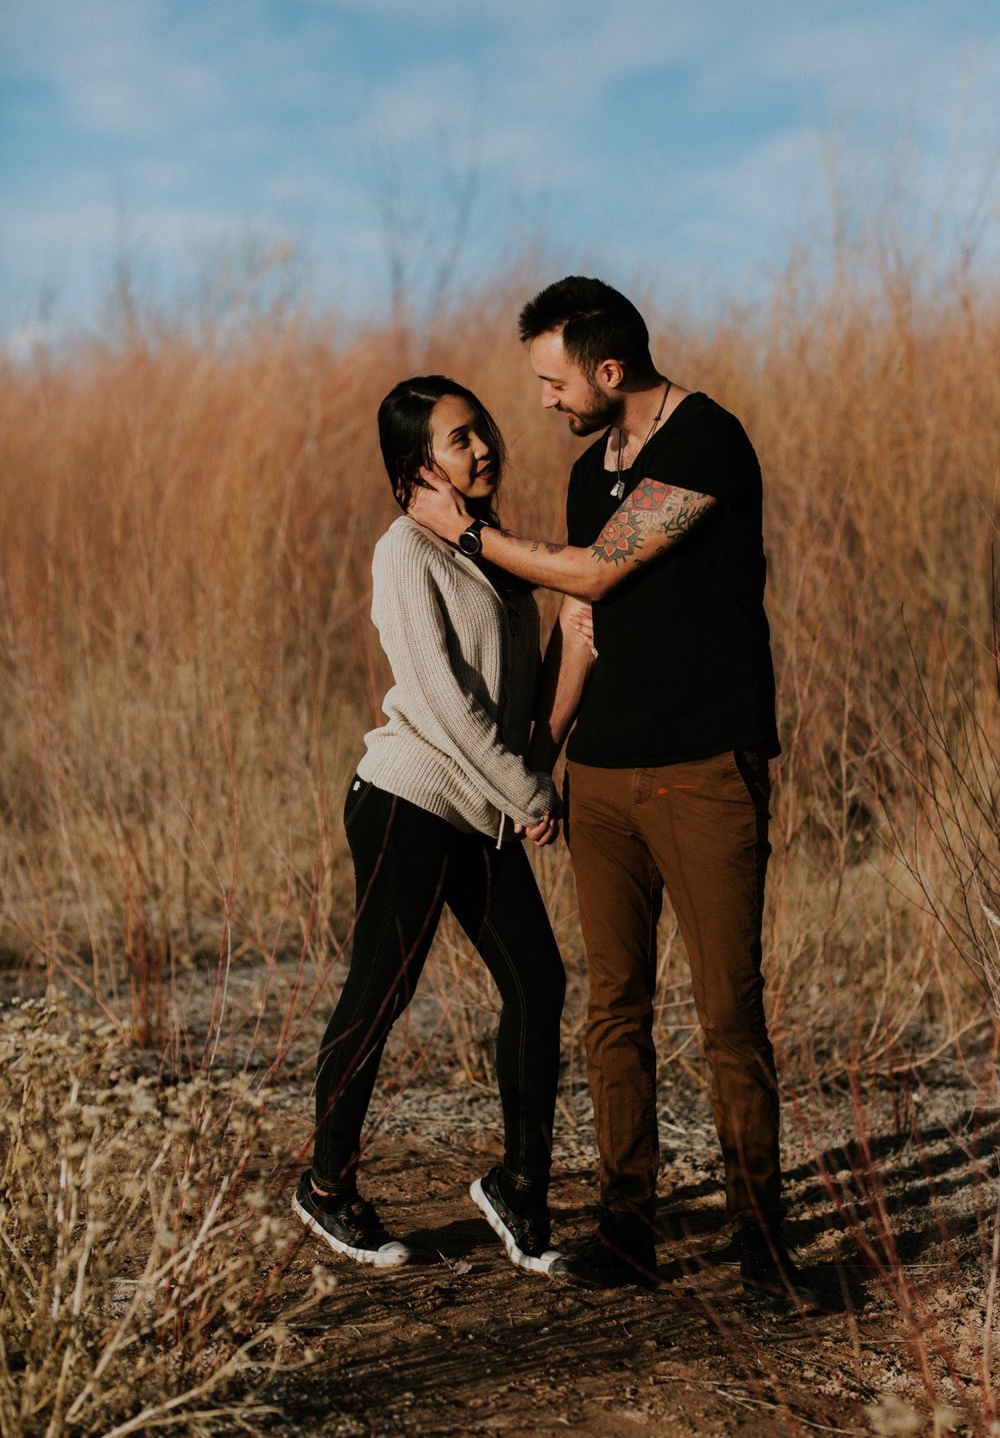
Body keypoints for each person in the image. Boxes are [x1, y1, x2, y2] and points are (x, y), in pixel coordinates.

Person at [409, 277, 821, 1305]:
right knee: (612, 1009)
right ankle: (627, 1228)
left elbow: (590, 574)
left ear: (608, 369)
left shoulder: (707, 442)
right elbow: (582, 629)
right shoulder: (592, 468)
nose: (543, 403)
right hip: (599, 780)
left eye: (554, 382)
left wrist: (462, 533)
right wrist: (538, 756)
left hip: (704, 770)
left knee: (730, 1015)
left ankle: (762, 1250)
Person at [293, 374, 566, 1275]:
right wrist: (530, 792)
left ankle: (521, 1185)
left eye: (481, 428)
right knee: (380, 989)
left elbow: (514, 690)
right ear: (417, 465)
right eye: (458, 439)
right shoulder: (404, 552)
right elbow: (447, 704)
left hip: (477, 811)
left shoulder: (485, 548)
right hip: (409, 799)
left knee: (537, 980)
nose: (481, 446)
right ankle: (327, 1183)